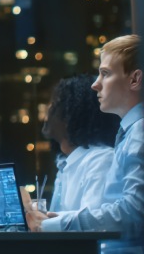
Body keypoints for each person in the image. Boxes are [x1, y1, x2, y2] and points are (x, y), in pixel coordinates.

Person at [26, 34, 143, 243]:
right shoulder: (129, 133)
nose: (95, 84)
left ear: (134, 80)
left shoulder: (139, 133)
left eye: (105, 74)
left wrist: (54, 224)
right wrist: (56, 220)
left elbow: (133, 213)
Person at [42, 74, 119, 212]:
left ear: (71, 112)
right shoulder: (65, 163)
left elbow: (91, 225)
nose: (47, 110)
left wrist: (43, 222)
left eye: (54, 103)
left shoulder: (100, 160)